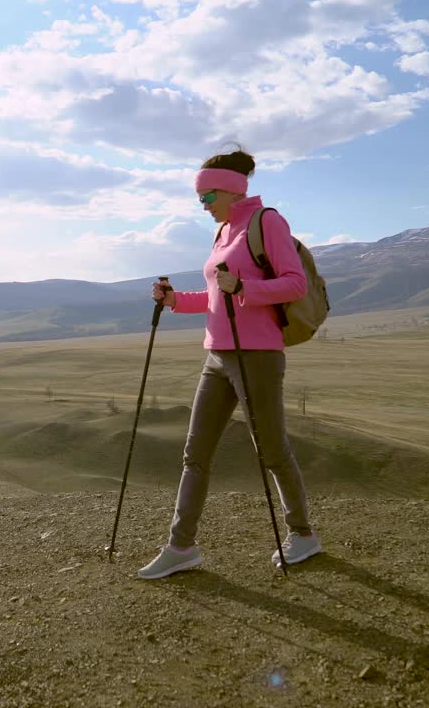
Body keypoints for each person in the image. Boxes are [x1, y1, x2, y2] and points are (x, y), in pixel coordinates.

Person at [137, 146, 320, 580]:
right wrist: (176, 300)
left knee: (272, 452)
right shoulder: (222, 232)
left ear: (229, 191)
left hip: (256, 356)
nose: (201, 206)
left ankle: (304, 535)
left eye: (205, 198)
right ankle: (181, 547)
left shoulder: (266, 222)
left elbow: (293, 285)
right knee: (194, 455)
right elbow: (215, 296)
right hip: (217, 355)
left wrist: (244, 287)